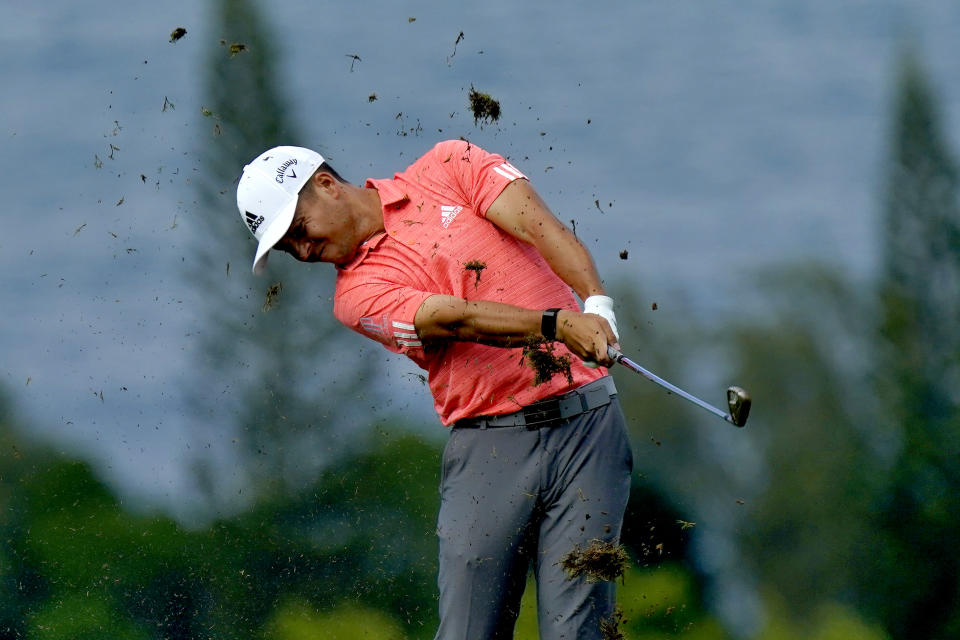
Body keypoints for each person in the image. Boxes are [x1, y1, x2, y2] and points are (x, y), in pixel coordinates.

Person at [236, 139, 633, 640]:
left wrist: (597, 305)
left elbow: (538, 224)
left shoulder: (450, 164)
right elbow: (456, 319)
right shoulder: (355, 296)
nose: (302, 250)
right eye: (287, 248)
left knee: (578, 632)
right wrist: (557, 325)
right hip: (490, 446)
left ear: (326, 185)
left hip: (589, 429)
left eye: (298, 231)